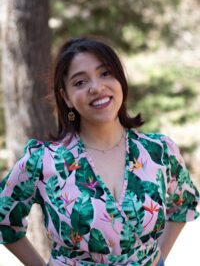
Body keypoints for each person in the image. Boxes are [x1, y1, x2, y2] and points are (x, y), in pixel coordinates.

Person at [0, 37, 199, 266]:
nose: (96, 87)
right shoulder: (44, 161)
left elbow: (184, 203)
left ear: (120, 80)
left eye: (105, 73)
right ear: (66, 97)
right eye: (80, 82)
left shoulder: (159, 151)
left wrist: (158, 258)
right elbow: (5, 219)